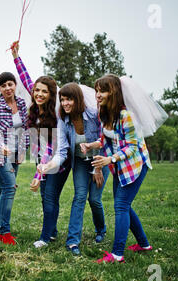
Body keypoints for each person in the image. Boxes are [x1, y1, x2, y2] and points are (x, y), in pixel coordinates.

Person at [87, 74, 155, 263]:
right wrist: (91, 146)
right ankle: (143, 244)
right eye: (97, 90)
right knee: (124, 205)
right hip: (119, 166)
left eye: (103, 91)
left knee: (121, 206)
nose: (98, 95)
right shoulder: (105, 113)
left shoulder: (126, 115)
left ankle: (117, 254)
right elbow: (106, 138)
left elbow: (132, 147)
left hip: (134, 166)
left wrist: (110, 158)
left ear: (114, 92)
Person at [38, 83, 110, 256]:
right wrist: (49, 165)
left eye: (69, 99)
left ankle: (101, 229)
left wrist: (98, 167)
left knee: (94, 199)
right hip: (80, 162)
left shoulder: (94, 114)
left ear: (77, 99)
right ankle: (72, 241)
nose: (65, 103)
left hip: (100, 160)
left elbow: (106, 141)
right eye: (62, 100)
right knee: (79, 197)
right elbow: (62, 150)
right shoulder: (63, 119)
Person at [11, 44, 71, 248]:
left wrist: (38, 175)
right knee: (46, 196)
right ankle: (52, 231)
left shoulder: (56, 115)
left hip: (57, 161)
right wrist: (16, 57)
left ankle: (45, 238)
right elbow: (27, 79)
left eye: (44, 92)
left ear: (51, 94)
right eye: (37, 91)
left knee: (50, 197)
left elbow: (49, 150)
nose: (38, 94)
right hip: (42, 159)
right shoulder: (36, 105)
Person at [0, 72, 30, 245]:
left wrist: (23, 149)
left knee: (3, 190)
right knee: (10, 188)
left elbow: (25, 128)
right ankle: (4, 231)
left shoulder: (22, 103)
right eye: (3, 86)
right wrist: (1, 146)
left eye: (10, 84)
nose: (7, 88)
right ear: (0, 88)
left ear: (15, 84)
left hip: (15, 153)